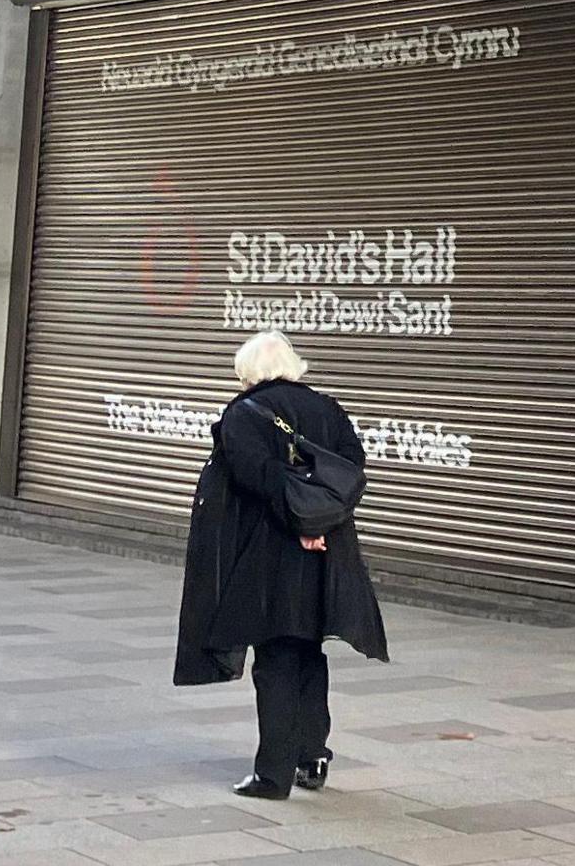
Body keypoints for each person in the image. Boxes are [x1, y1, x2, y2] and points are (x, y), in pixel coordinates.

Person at [174, 330, 387, 799]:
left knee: (275, 658)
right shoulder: (326, 408)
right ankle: (312, 758)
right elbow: (352, 467)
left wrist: (298, 522)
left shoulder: (244, 414)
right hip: (328, 551)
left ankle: (273, 774)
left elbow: (258, 479)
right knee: (309, 652)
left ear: (247, 371)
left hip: (272, 553)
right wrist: (319, 519)